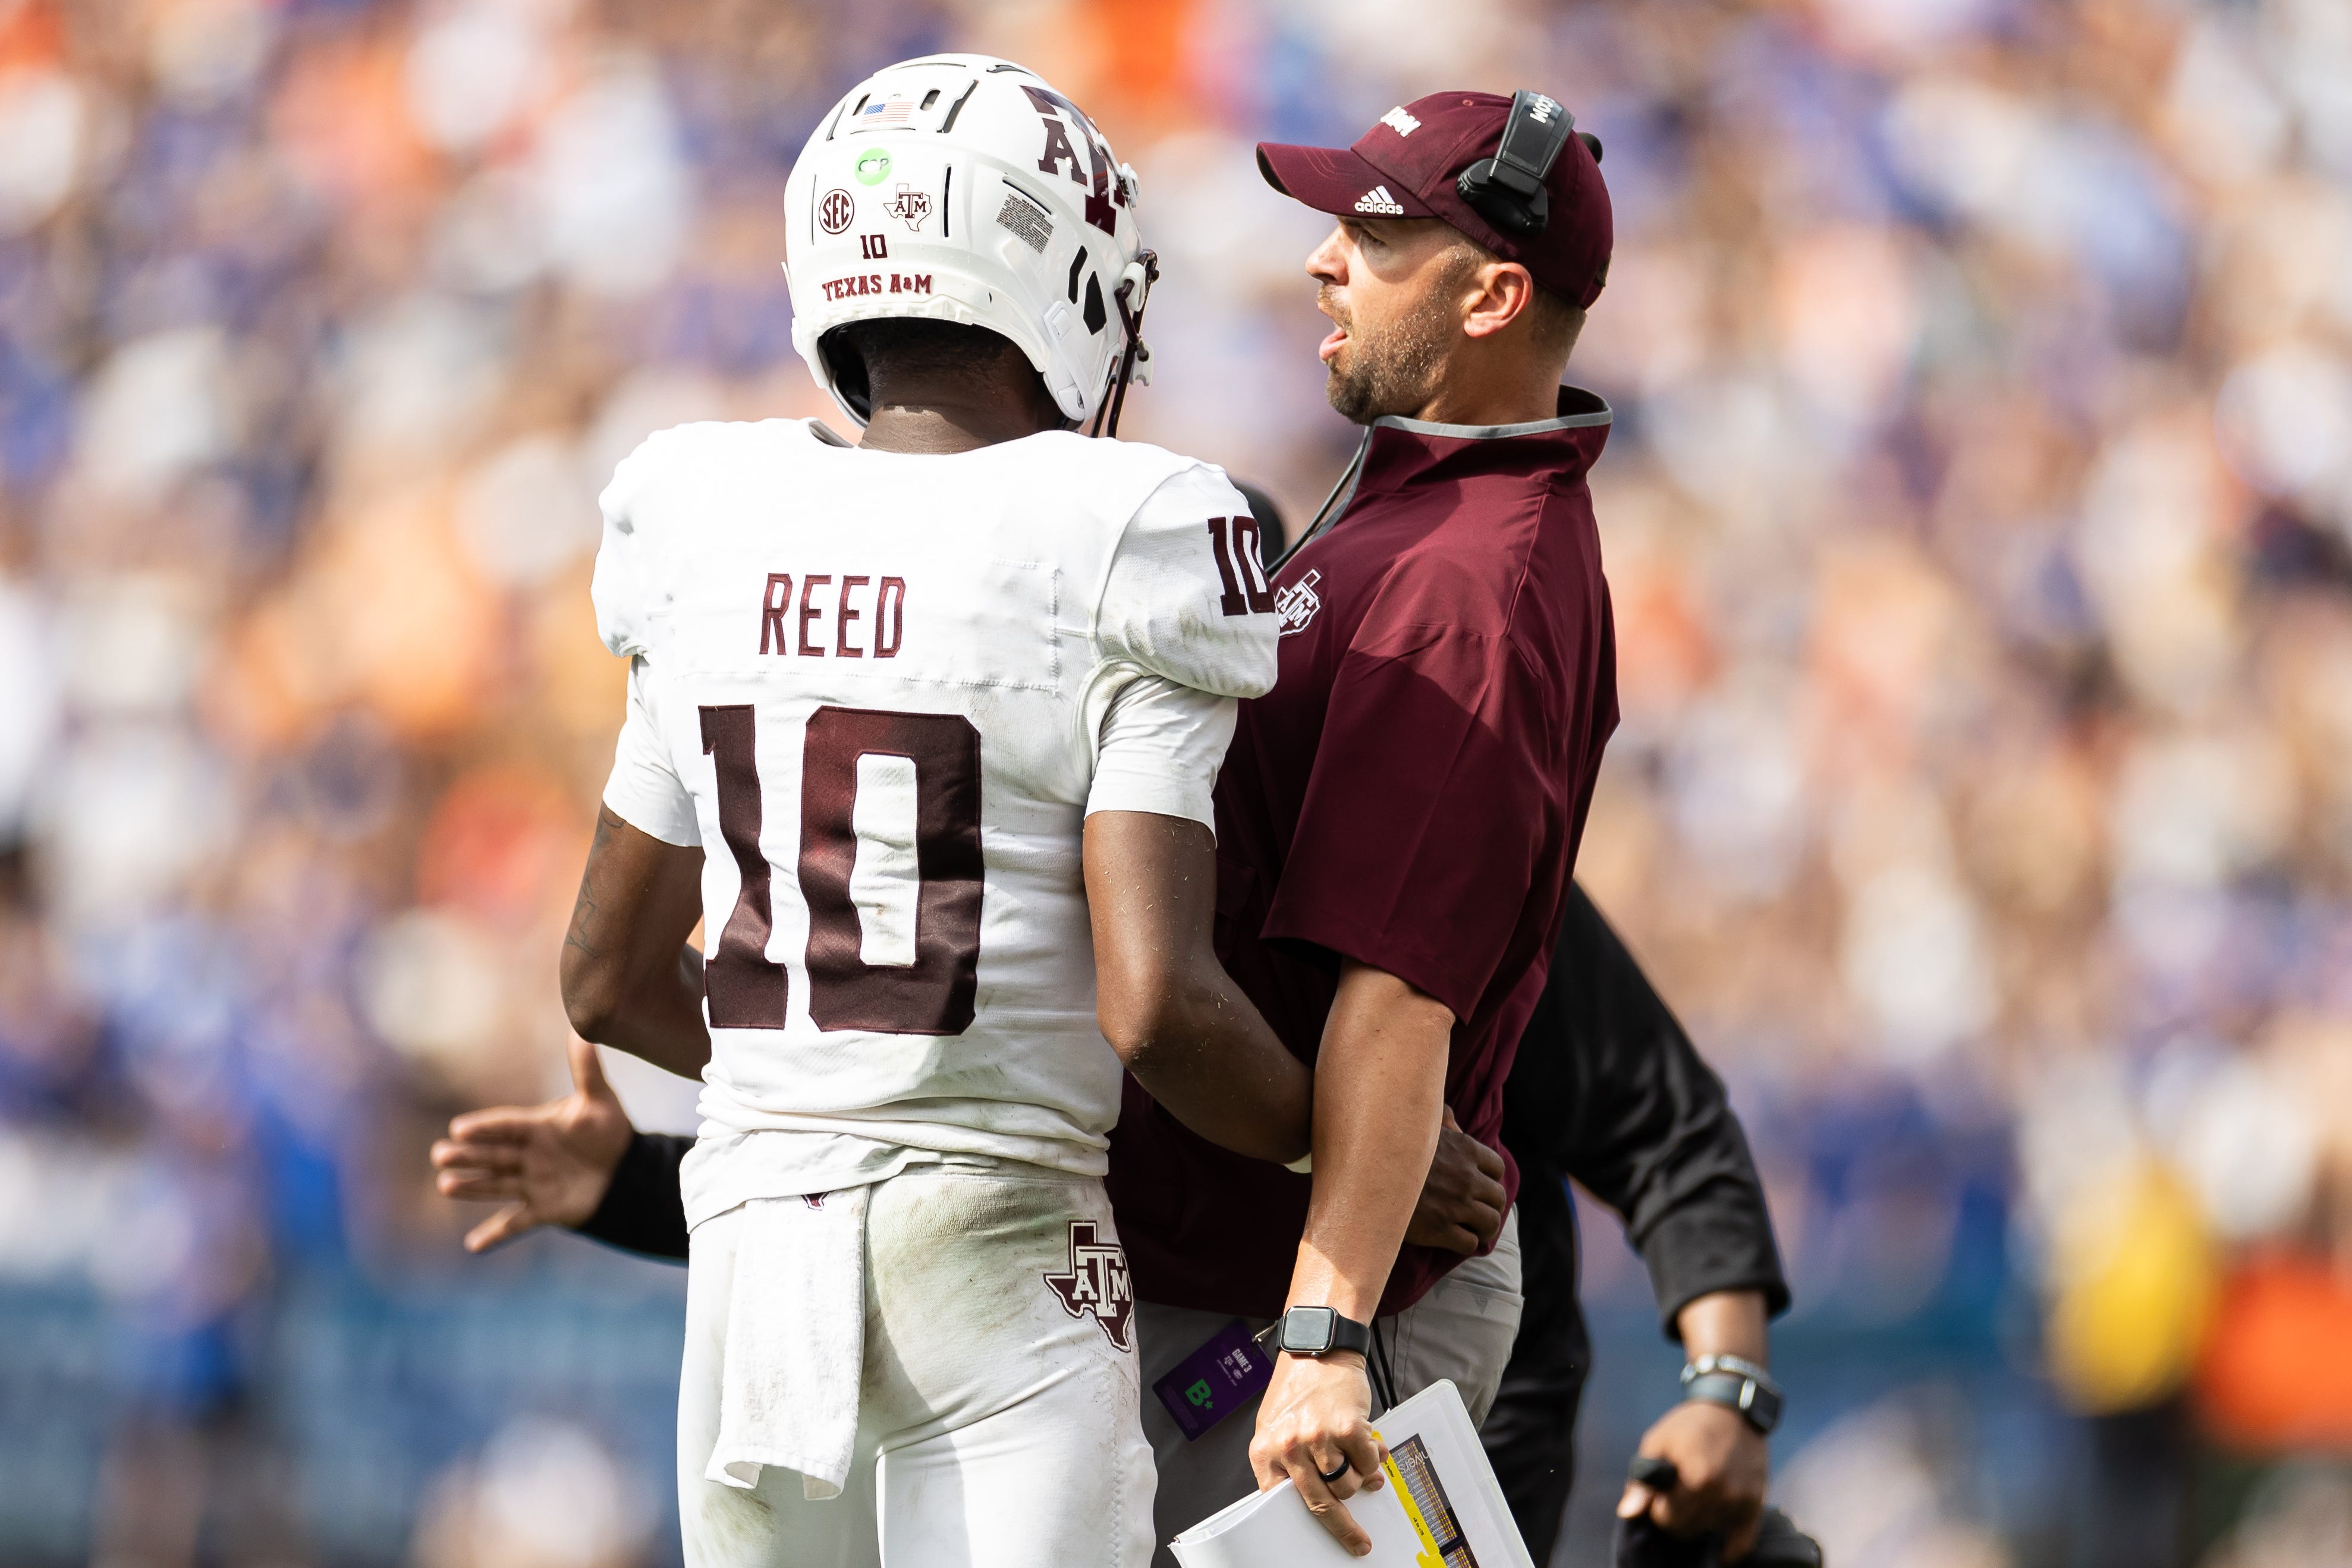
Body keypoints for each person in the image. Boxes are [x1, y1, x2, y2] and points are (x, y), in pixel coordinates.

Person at [554, 51, 1321, 1568]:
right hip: (1001, 1246)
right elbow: (1157, 1004)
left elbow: (603, 978)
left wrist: (826, 1081)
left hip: (752, 1249)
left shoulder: (702, 517)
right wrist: (1339, 1140)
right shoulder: (1134, 531)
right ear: (1065, 271)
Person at [1108, 87, 1618, 1558]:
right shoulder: (1424, 504)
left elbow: (1398, 990)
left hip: (1324, 1301)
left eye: (1379, 234)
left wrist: (1325, 1326)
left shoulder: (1472, 583)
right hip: (1275, 1261)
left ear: (1494, 293)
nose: (1326, 259)